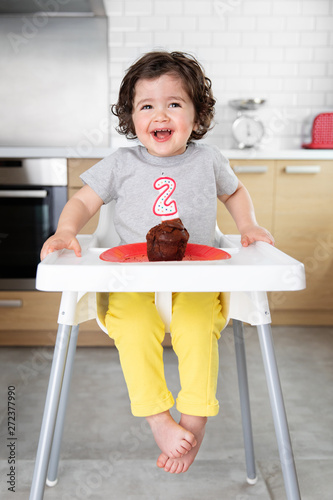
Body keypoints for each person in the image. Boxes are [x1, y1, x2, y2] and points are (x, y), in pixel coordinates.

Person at [41, 51, 274, 474]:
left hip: (197, 280)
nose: (160, 114)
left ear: (198, 116)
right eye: (147, 105)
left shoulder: (209, 160)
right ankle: (158, 419)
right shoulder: (120, 163)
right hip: (131, 280)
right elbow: (82, 201)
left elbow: (236, 193)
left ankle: (194, 422)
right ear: (132, 118)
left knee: (198, 328)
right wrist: (66, 231)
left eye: (174, 103)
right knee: (132, 327)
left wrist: (250, 225)